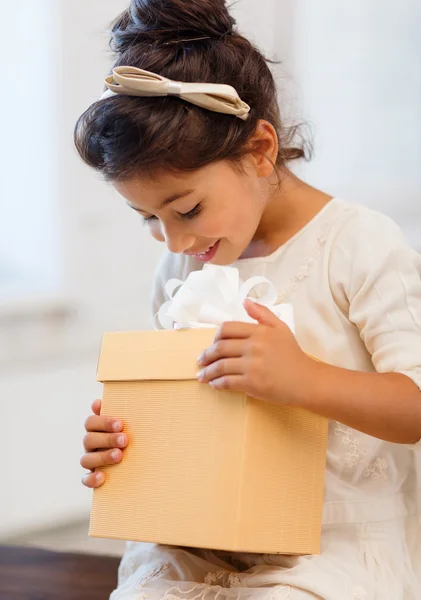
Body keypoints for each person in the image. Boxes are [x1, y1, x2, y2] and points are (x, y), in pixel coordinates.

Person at [75, 1, 421, 598]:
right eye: (148, 219)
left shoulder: (360, 246)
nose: (176, 239)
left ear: (260, 150)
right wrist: (125, 438)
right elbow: (190, 409)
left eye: (186, 210)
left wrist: (303, 378)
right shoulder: (180, 266)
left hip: (330, 546)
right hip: (203, 535)